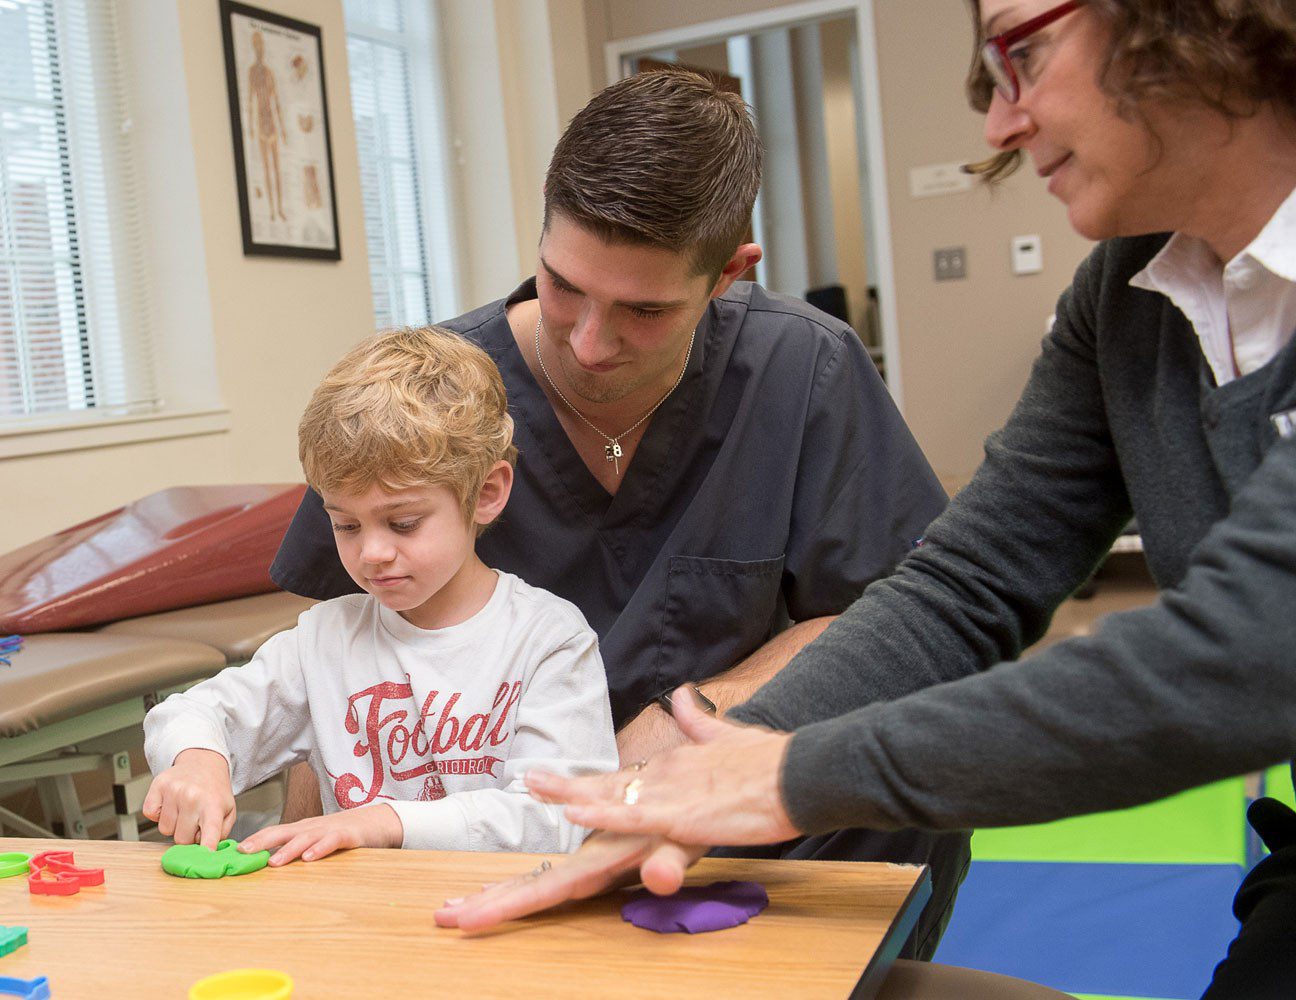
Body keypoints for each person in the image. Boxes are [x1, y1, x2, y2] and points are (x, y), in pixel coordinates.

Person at [442, 2, 1296, 993]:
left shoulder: (797, 366)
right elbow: (964, 584)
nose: (997, 122)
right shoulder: (1128, 293)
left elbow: (1242, 648)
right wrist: (707, 770)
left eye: (1022, 51)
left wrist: (788, 775)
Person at [271, 69, 964, 956]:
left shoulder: (803, 373)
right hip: (488, 829)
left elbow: (894, 615)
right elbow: (331, 668)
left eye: (643, 309)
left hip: (725, 812)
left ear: (728, 276)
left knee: (900, 795)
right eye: (562, 286)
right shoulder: (433, 397)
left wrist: (686, 719)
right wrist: (301, 910)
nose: (590, 344)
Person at [141, 327, 619, 863]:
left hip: (500, 922)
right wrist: (199, 760)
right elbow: (190, 712)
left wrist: (382, 820)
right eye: (345, 526)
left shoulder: (548, 638)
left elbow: (557, 818)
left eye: (404, 523)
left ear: (486, 493)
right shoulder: (325, 639)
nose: (372, 553)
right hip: (362, 922)